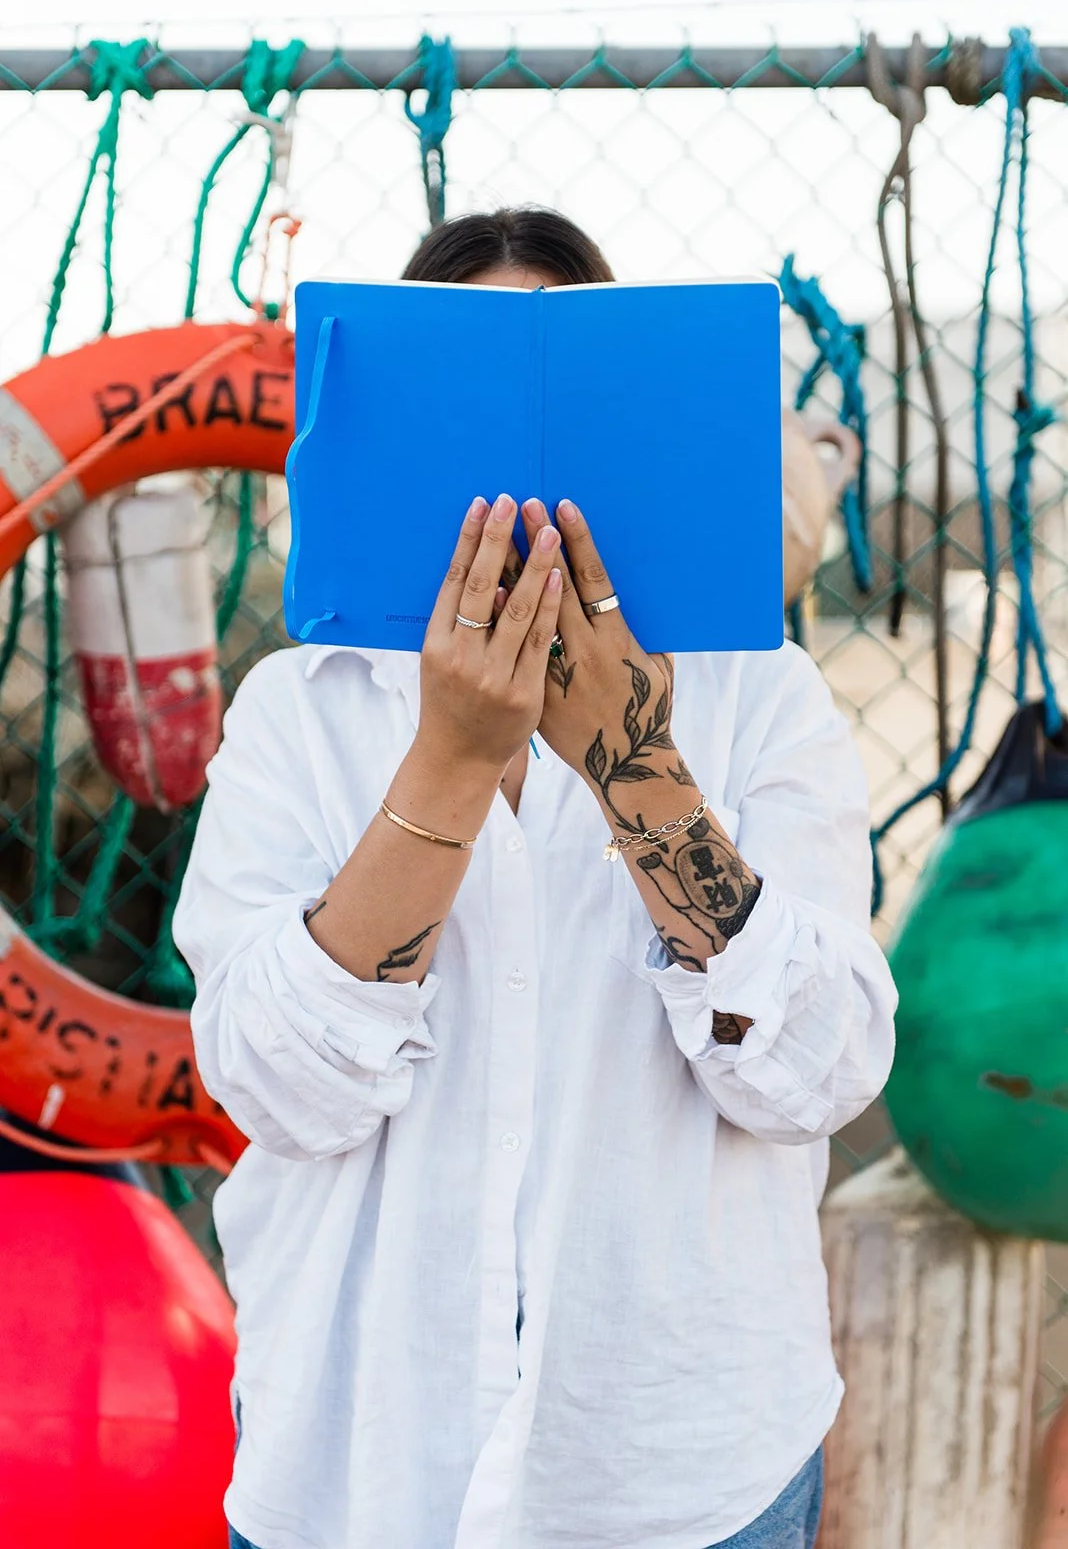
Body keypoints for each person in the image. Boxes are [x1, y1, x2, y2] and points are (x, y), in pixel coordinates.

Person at [174, 206, 897, 1549]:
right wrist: (451, 760)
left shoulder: (762, 696)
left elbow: (821, 1069)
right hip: (361, 1465)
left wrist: (633, 765)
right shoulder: (301, 709)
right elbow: (271, 1084)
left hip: (680, 1468)